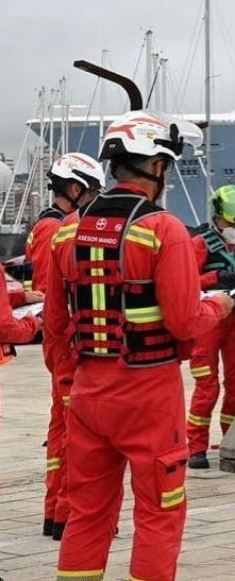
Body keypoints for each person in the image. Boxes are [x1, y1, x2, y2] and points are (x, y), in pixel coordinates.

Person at [43, 109, 235, 581]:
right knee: (158, 510)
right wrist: (222, 304)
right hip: (149, 394)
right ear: (157, 166)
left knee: (87, 513)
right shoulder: (162, 229)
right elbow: (185, 322)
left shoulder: (66, 231)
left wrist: (72, 380)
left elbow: (55, 324)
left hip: (88, 391)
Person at [24, 152, 105, 538]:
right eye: (93, 192)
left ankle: (58, 510)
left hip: (62, 340)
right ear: (75, 188)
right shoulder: (55, 229)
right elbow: (50, 293)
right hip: (66, 342)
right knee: (75, 428)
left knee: (64, 424)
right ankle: (67, 511)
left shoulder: (51, 226)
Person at [186, 184, 235, 469]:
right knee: (207, 385)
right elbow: (187, 282)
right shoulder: (199, 244)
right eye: (231, 223)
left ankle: (231, 442)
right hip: (208, 321)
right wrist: (215, 277)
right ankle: (196, 447)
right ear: (218, 217)